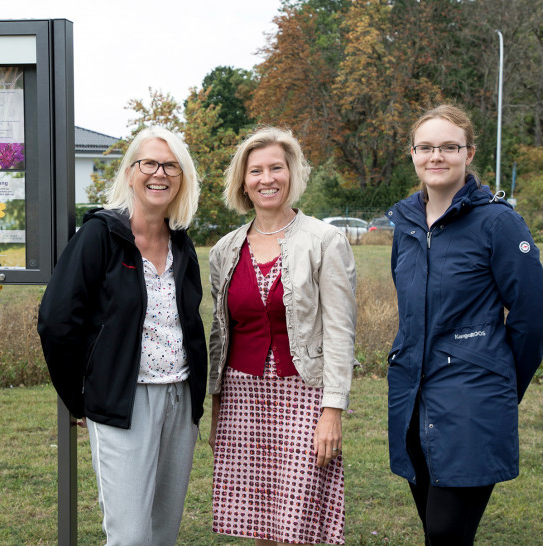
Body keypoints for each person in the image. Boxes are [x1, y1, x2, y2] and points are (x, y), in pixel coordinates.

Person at [37, 126, 207, 545]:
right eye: (148, 163)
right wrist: (79, 396)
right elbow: (57, 322)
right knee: (130, 536)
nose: (159, 173)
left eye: (171, 166)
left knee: (163, 531)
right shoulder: (100, 236)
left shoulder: (181, 244)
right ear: (130, 173)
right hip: (123, 401)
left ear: (182, 178)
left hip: (179, 400)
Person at [387, 104, 543, 545]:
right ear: (413, 153)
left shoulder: (497, 222)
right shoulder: (407, 224)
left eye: (449, 147)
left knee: (445, 531)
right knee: (434, 528)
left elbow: (533, 316)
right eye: (426, 147)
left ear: (469, 153)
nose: (437, 156)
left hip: (474, 401)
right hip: (412, 399)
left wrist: (499, 380)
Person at [208, 126, 357, 545]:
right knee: (261, 520)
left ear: (292, 174)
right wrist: (217, 403)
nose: (267, 178)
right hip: (242, 395)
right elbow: (221, 334)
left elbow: (341, 332)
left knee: (300, 520)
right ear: (243, 181)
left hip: (303, 394)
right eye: (256, 171)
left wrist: (333, 410)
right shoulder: (225, 249)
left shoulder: (324, 241)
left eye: (277, 167)